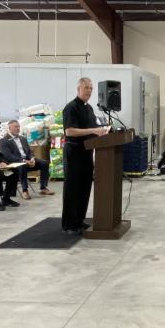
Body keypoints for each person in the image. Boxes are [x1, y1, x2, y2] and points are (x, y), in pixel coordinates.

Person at [62, 77, 110, 233]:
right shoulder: (71, 108)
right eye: (86, 88)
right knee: (72, 188)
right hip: (74, 152)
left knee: (84, 187)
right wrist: (93, 131)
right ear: (78, 89)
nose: (89, 91)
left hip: (87, 152)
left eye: (91, 88)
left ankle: (79, 220)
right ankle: (69, 224)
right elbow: (69, 131)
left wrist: (103, 131)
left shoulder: (89, 108)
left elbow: (94, 128)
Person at [0, 120, 53, 200]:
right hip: (15, 164)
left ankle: (43, 187)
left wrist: (32, 159)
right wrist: (24, 161)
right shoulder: (3, 141)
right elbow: (8, 156)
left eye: (19, 127)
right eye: (16, 127)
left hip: (27, 161)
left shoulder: (22, 138)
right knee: (22, 166)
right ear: (9, 128)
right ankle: (25, 190)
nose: (18, 129)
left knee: (44, 163)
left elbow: (29, 151)